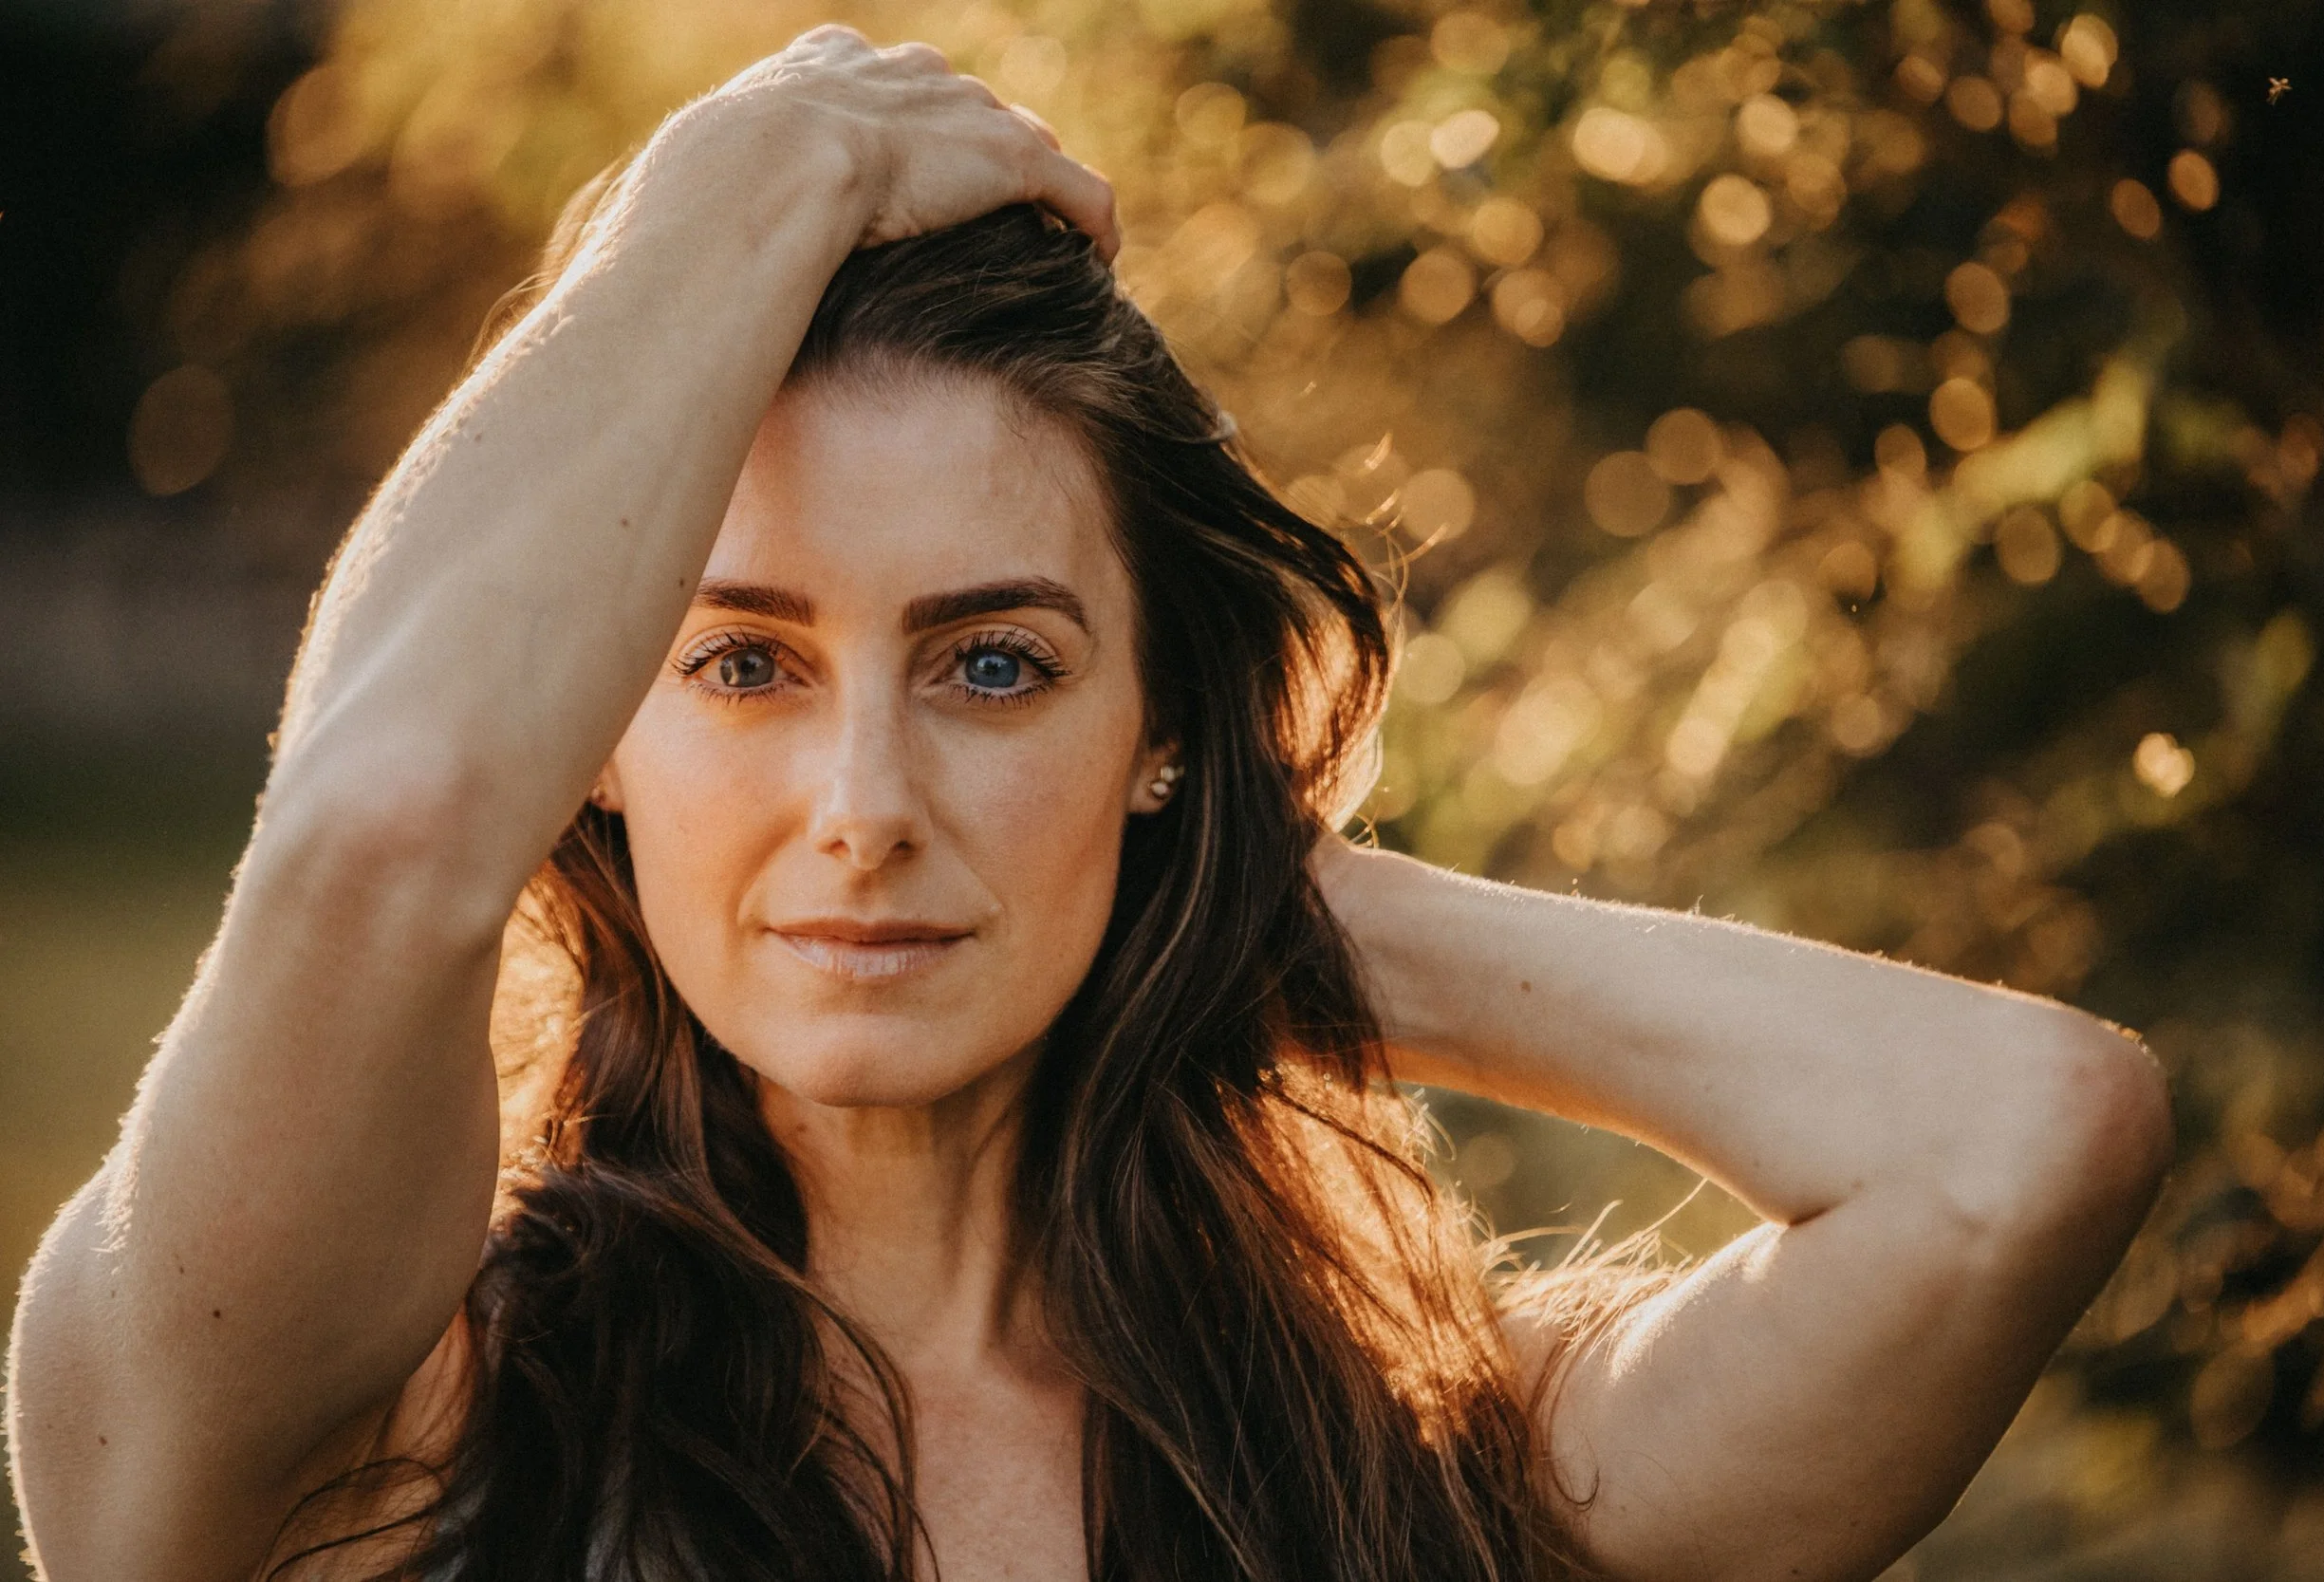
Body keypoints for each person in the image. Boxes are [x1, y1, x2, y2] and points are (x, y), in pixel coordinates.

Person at [6, 27, 2174, 1582]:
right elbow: (379, 826)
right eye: (741, 662)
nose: (862, 801)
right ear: (588, 731)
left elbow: (2016, 1143)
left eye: (992, 665)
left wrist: (1228, 880)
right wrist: (741, 178)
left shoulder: (1426, 1452)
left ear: (1161, 731)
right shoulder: (353, 1420)